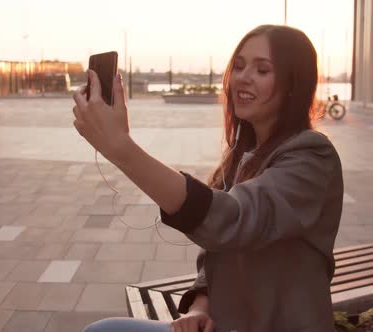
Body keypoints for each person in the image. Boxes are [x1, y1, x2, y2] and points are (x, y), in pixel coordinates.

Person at [73, 24, 343, 332]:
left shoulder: (312, 157)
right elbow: (218, 251)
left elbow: (232, 220)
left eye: (262, 69)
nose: (243, 76)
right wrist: (201, 306)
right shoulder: (243, 155)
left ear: (294, 83)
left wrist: (122, 148)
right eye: (239, 66)